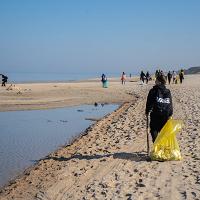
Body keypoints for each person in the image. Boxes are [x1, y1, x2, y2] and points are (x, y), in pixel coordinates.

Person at [145, 74, 173, 142]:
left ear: (159, 82)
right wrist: (170, 114)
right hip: (165, 115)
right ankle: (162, 147)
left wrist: (147, 111)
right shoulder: (167, 91)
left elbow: (149, 102)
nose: (155, 81)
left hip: (155, 114)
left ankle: (156, 146)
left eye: (156, 80)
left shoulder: (153, 91)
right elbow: (170, 103)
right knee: (163, 131)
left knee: (154, 130)